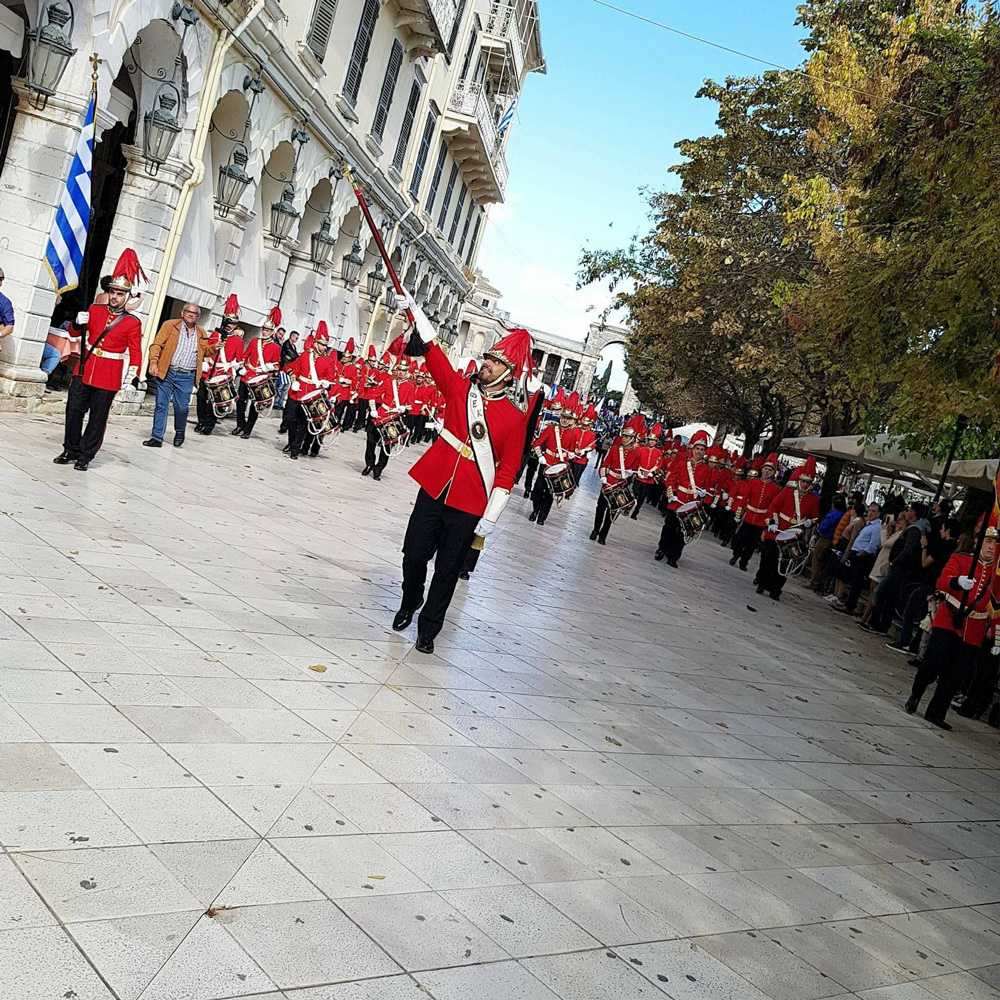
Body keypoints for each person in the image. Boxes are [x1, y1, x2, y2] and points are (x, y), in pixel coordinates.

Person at [392, 294, 530, 654]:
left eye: (495, 362)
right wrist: (416, 311)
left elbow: (508, 470)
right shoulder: (460, 388)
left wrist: (492, 514)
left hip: (471, 500)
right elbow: (435, 354)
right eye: (488, 358)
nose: (487, 364)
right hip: (435, 484)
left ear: (509, 373)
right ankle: (410, 599)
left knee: (448, 569)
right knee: (413, 553)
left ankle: (428, 629)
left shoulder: (515, 417)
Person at [53, 250, 144, 472]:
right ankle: (70, 449)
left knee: (97, 419)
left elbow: (136, 351)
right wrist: (77, 322)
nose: (115, 297)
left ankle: (85, 455)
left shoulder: (132, 322)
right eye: (112, 292)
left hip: (109, 374)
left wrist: (132, 377)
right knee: (73, 410)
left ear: (127, 297)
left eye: (120, 294)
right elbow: (74, 334)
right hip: (84, 368)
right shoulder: (94, 309)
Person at [905, 520, 997, 729]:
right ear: (977, 542)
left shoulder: (997, 575)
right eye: (988, 541)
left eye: (995, 543)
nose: (992, 547)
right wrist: (957, 582)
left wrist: (997, 634)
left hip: (974, 628)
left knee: (955, 674)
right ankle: (916, 694)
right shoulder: (961, 558)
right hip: (949, 618)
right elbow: (942, 581)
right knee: (933, 662)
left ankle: (936, 713)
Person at [143, 303, 211, 449]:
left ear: (198, 317)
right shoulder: (170, 325)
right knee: (161, 405)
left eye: (195, 313)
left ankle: (180, 431)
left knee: (181, 408)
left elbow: (206, 352)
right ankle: (156, 437)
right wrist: (153, 362)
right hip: (167, 372)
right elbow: (156, 345)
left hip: (187, 375)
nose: (191, 315)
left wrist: (214, 348)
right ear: (182, 313)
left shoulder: (202, 333)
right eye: (188, 312)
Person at [886, 516, 959, 654]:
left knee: (910, 610)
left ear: (948, 530)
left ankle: (905, 641)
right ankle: (915, 646)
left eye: (943, 528)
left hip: (930, 582)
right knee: (927, 616)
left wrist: (924, 546)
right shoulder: (956, 549)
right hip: (940, 587)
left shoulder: (942, 547)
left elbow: (925, 563)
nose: (940, 531)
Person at [754, 457, 821, 601]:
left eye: (808, 482)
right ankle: (762, 583)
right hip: (777, 530)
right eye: (803, 481)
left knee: (786, 563)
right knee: (768, 559)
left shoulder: (814, 499)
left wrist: (810, 522)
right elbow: (773, 507)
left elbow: (815, 517)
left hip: (794, 535)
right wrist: (773, 522)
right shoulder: (787, 492)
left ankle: (776, 589)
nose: (805, 484)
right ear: (799, 480)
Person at [860, 501, 931, 634]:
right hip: (900, 567)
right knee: (888, 596)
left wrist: (896, 562)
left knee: (881, 593)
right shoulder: (913, 528)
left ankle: (878, 623)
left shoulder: (914, 530)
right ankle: (880, 624)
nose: (907, 513)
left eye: (909, 510)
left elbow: (907, 550)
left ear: (913, 513)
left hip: (900, 568)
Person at [656, 429, 715, 567]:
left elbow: (708, 487)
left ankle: (674, 556)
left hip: (692, 504)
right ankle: (662, 549)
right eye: (697, 449)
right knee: (669, 527)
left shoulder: (707, 470)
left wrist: (704, 493)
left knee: (684, 531)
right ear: (693, 449)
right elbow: (670, 480)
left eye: (702, 449)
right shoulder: (683, 464)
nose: (699, 452)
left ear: (705, 452)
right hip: (678, 501)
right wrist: (671, 494)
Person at [284, 326, 337, 460]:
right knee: (290, 419)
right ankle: (291, 442)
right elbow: (293, 369)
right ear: (316, 343)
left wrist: (327, 385)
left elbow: (331, 380)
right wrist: (293, 380)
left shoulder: (329, 361)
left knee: (303, 423)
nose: (324, 348)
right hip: (297, 392)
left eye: (325, 345)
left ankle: (295, 449)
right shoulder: (305, 355)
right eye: (322, 344)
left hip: (312, 396)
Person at [365, 344, 414, 480]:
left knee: (387, 445)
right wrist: (373, 409)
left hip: (395, 417)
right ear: (396, 370)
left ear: (407, 372)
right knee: (370, 441)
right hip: (381, 414)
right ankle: (369, 464)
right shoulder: (388, 381)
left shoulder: (410, 386)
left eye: (404, 371)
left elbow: (411, 406)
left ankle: (378, 469)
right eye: (399, 370)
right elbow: (373, 394)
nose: (401, 373)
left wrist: (404, 409)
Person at [195, 294, 241, 435]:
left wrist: (231, 365)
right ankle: (201, 421)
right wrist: (205, 361)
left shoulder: (238, 341)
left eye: (232, 323)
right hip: (209, 370)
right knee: (201, 396)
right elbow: (207, 349)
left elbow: (239, 360)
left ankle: (210, 424)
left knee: (216, 400)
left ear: (236, 325)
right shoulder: (216, 334)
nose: (229, 325)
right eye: (227, 322)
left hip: (223, 373)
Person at [592, 419, 641, 545]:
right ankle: (595, 530)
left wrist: (630, 474)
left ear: (632, 438)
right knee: (600, 507)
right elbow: (604, 465)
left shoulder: (636, 455)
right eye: (623, 436)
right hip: (608, 481)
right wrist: (603, 477)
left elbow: (634, 473)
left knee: (612, 510)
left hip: (620, 485)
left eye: (627, 437)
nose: (623, 439)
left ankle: (603, 535)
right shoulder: (615, 449)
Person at [234, 308, 281, 439]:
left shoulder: (276, 348)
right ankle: (240, 425)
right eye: (264, 330)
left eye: (267, 330)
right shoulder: (255, 341)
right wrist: (242, 366)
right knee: (240, 401)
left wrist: (271, 367)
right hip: (247, 375)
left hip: (261, 378)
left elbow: (277, 366)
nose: (265, 332)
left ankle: (248, 430)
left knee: (256, 405)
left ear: (272, 332)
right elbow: (245, 356)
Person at [530, 405, 579, 526]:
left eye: (568, 418)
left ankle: (542, 517)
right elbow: (537, 443)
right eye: (563, 417)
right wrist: (540, 456)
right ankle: (535, 510)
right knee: (538, 489)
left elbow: (570, 453)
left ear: (571, 420)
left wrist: (571, 456)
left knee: (550, 493)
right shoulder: (550, 429)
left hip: (558, 467)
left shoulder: (572, 434)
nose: (565, 420)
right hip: (546, 463)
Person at [833, 502, 882, 614]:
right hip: (855, 553)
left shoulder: (876, 527)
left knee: (857, 581)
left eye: (873, 511)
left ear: (878, 513)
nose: (870, 513)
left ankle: (850, 605)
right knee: (852, 579)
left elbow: (873, 543)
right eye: (869, 510)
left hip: (862, 556)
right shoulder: (868, 525)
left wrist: (862, 553)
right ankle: (848, 602)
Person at [810, 493, 847, 593]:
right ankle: (822, 583)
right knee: (825, 563)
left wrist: (819, 529)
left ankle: (815, 582)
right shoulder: (843, 514)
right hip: (834, 540)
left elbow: (823, 527)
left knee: (816, 560)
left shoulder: (832, 515)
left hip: (824, 538)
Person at [631, 423, 663, 518]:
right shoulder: (641, 449)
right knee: (635, 492)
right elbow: (636, 461)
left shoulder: (658, 452)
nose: (652, 442)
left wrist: (652, 473)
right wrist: (638, 471)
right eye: (650, 440)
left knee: (642, 497)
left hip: (649, 479)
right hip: (639, 475)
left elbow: (659, 464)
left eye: (654, 441)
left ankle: (635, 512)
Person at [276, 329, 300, 420]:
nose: (297, 340)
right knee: (281, 386)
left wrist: (294, 357)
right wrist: (296, 357)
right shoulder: (287, 344)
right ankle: (277, 402)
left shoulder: (293, 346)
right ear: (292, 336)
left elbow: (293, 355)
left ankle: (280, 403)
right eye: (296, 338)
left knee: (286, 387)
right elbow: (293, 355)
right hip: (284, 367)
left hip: (289, 368)